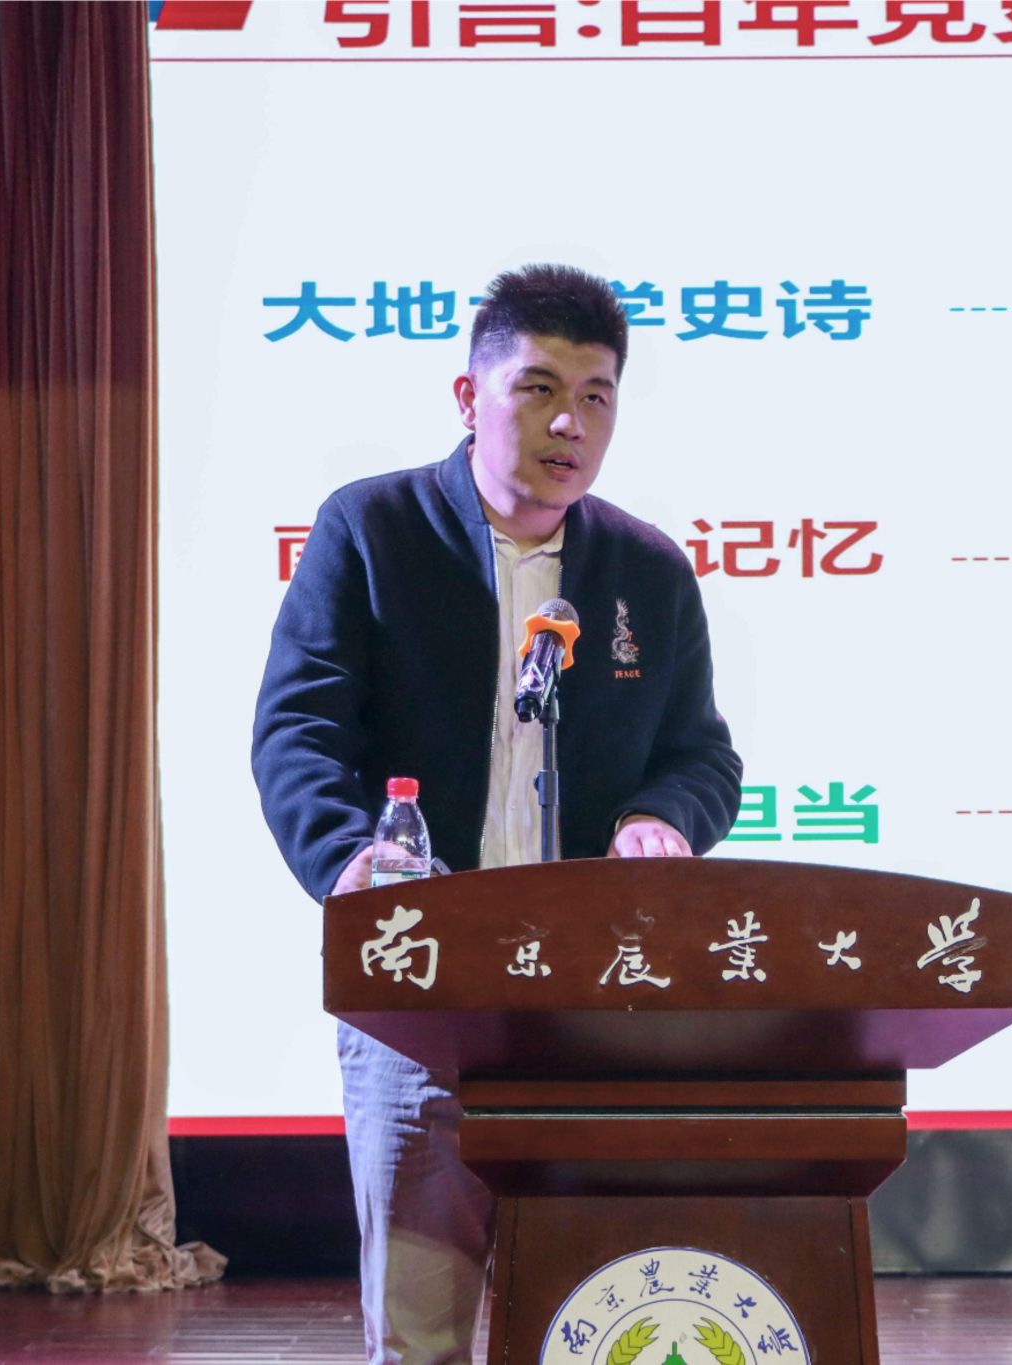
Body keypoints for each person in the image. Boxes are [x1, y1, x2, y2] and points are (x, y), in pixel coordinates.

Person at [252, 263, 742, 1364]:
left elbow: (701, 755)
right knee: (421, 1325)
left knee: (593, 1314)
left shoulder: (647, 570)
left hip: (593, 996)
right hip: (425, 982)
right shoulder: (373, 528)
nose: (570, 422)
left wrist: (661, 819)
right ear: (470, 397)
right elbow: (298, 728)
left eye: (596, 396)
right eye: (539, 388)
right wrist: (347, 860)